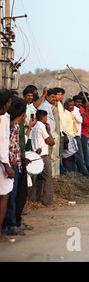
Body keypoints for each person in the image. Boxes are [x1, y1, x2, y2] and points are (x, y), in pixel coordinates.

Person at [2, 97, 27, 236]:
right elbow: (10, 145)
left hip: (12, 163)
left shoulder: (10, 123)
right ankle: (10, 225)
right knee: (10, 196)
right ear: (22, 114)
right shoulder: (13, 125)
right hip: (11, 164)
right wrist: (10, 162)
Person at [30, 109, 55, 206]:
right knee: (47, 177)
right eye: (46, 117)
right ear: (42, 118)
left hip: (36, 154)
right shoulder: (41, 127)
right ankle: (48, 201)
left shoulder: (35, 127)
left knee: (40, 178)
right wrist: (49, 131)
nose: (46, 119)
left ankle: (33, 198)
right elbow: (50, 141)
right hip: (43, 155)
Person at [0, 89, 15, 242]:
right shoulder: (3, 119)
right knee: (4, 196)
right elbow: (2, 144)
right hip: (2, 164)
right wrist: (7, 165)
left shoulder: (4, 117)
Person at [38, 88, 60, 177]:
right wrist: (49, 136)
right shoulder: (44, 107)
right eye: (52, 97)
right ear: (47, 97)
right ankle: (51, 177)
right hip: (49, 135)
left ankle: (55, 176)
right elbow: (44, 122)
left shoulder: (51, 106)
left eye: (55, 97)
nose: (54, 99)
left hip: (53, 134)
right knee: (50, 157)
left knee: (54, 157)